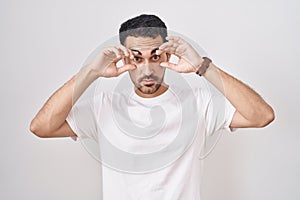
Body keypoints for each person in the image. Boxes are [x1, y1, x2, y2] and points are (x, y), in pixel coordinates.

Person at [30, 14, 275, 199]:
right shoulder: (103, 106)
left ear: (166, 55)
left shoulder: (200, 102)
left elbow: (261, 116)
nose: (147, 69)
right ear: (124, 57)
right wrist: (91, 72)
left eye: (155, 57)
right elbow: (42, 127)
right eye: (137, 58)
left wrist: (202, 66)